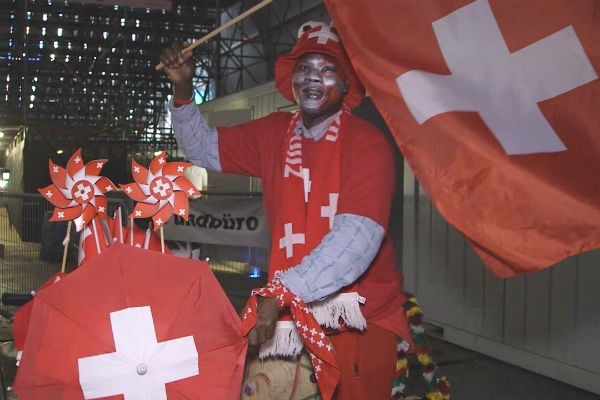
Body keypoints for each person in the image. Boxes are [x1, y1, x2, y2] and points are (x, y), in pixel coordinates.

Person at [161, 21, 413, 399]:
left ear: (346, 84)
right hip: (289, 319)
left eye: (328, 70)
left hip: (358, 321)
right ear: (291, 80)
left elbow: (355, 240)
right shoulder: (274, 132)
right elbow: (202, 148)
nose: (314, 78)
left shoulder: (367, 144)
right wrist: (182, 89)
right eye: (305, 68)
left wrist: (281, 291)